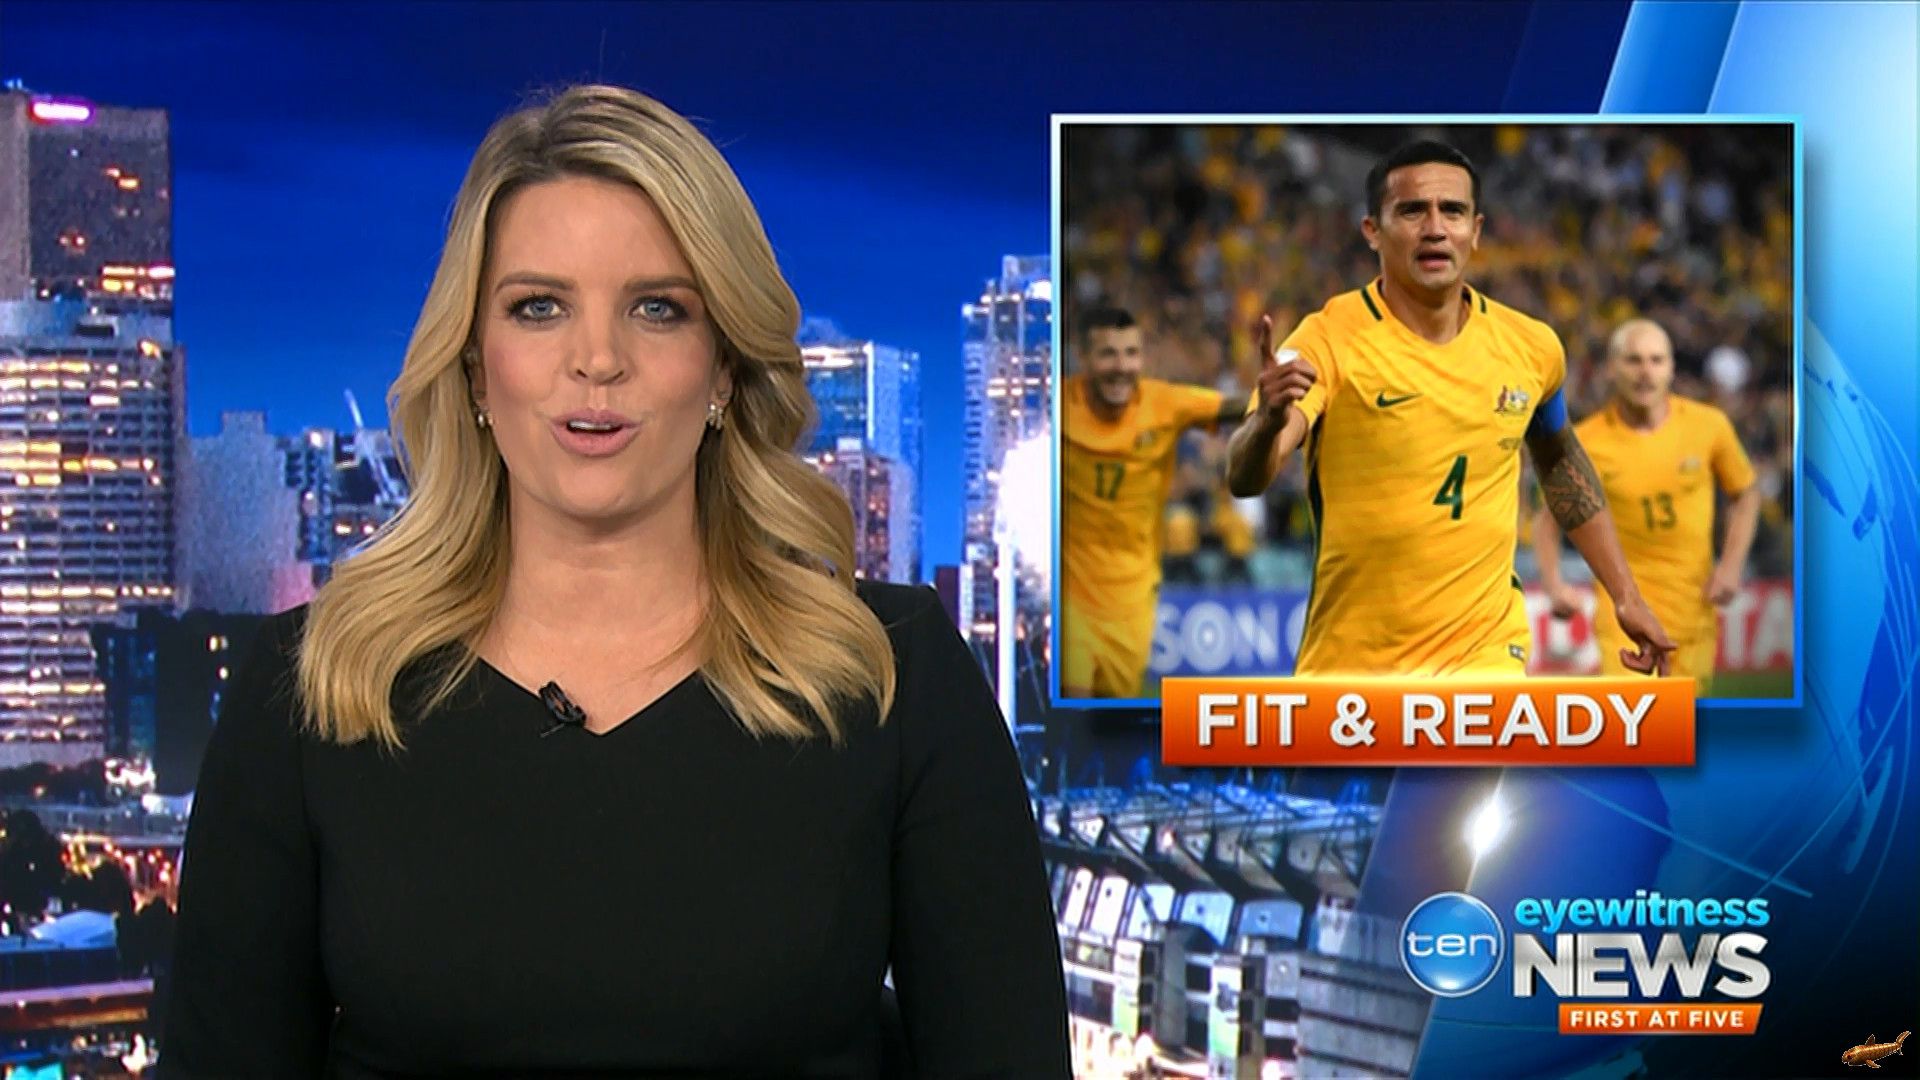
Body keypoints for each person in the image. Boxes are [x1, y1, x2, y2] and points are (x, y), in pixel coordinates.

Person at [159, 85, 1070, 1078]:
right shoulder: (315, 688)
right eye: (538, 307)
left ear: (723, 370)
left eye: (657, 309)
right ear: (475, 369)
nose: (597, 359)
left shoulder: (892, 678)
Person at [1224, 139, 1673, 677]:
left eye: (1453, 211)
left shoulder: (1531, 347)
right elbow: (1246, 476)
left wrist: (1625, 594)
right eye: (1413, 211)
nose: (1435, 228)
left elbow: (1560, 462)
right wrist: (1267, 421)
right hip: (1352, 665)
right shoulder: (1325, 339)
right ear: (1372, 230)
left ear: (1475, 231)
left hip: (1485, 654)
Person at [1534, 317, 1760, 695]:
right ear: (1611, 368)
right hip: (1622, 618)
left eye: (1656, 360)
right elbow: (1548, 518)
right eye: (1633, 360)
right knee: (1635, 724)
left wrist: (1732, 565)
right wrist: (1554, 584)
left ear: (1671, 368)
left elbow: (1746, 493)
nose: (1645, 372)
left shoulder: (1709, 426)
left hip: (1693, 614)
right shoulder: (1587, 441)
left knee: (1687, 728)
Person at [1059, 307, 1247, 698]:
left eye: (1131, 353)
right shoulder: (1058, 406)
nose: (1121, 367)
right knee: (1075, 704)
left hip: (1132, 601)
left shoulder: (1163, 405)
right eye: (1108, 354)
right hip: (1071, 596)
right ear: (1083, 357)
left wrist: (1278, 393)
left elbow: (1233, 407)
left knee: (1113, 715)